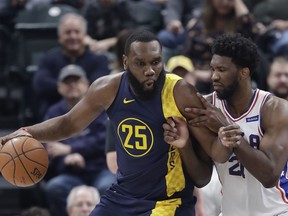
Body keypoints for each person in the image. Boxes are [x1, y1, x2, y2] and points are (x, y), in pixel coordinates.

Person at [0, 30, 221, 215]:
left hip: (168, 201)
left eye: (156, 62)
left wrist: (186, 145)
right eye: (140, 63)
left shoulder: (180, 92)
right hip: (123, 196)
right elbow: (68, 125)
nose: (150, 70)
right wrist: (26, 132)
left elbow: (203, 177)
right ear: (125, 62)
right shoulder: (107, 88)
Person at [163, 34, 288, 215]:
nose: (214, 76)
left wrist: (225, 127)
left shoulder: (276, 110)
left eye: (221, 69)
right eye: (212, 69)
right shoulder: (205, 108)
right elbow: (202, 178)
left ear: (243, 72)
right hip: (231, 210)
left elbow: (268, 176)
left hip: (278, 211)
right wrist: (185, 146)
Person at [43, 64, 115, 216]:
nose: (72, 85)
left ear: (87, 84)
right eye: (67, 82)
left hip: (101, 169)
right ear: (59, 88)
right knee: (54, 187)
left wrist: (72, 149)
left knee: (109, 187)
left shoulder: (101, 109)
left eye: (77, 81)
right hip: (71, 173)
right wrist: (66, 158)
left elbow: (103, 140)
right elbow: (49, 146)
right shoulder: (53, 113)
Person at [32, 12, 110, 120]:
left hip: (92, 119)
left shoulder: (99, 60)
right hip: (54, 117)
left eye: (77, 32)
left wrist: (67, 88)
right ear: (60, 37)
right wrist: (74, 88)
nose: (73, 36)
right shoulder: (48, 59)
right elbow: (40, 85)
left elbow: (100, 86)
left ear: (85, 35)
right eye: (68, 32)